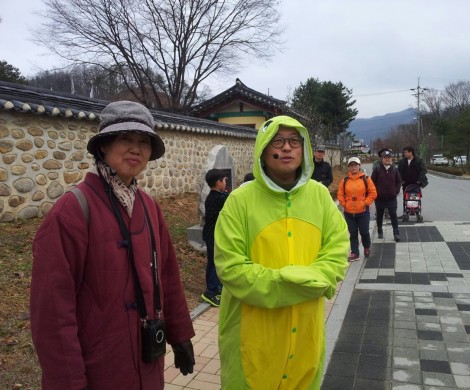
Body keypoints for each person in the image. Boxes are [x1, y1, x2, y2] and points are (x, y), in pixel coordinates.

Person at [30, 101, 196, 390]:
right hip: (100, 369)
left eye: (144, 141)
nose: (136, 149)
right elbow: (53, 313)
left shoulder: (149, 207)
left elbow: (167, 275)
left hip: (148, 362)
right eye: (125, 138)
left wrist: (180, 333)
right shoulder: (72, 212)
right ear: (103, 146)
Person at [214, 115, 349, 389]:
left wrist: (303, 280)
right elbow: (231, 268)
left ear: (305, 148)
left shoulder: (320, 196)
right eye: (277, 141)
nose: (286, 148)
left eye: (294, 141)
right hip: (251, 338)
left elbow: (337, 252)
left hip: (305, 338)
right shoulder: (239, 200)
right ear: (263, 150)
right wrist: (303, 283)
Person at [337, 156, 377, 261]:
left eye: (355, 165)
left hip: (363, 211)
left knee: (364, 231)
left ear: (359, 166)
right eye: (351, 165)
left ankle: (367, 247)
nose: (353, 167)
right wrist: (344, 204)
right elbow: (340, 194)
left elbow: (373, 193)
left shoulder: (366, 179)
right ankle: (355, 253)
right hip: (349, 212)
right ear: (349, 167)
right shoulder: (345, 180)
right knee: (353, 233)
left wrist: (365, 203)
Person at [201, 168, 229, 307]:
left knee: (215, 261)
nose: (226, 183)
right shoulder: (217, 198)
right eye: (224, 181)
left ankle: (216, 287)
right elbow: (232, 199)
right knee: (214, 262)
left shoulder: (216, 196)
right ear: (218, 183)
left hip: (212, 234)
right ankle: (211, 292)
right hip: (213, 235)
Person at [371, 148, 402, 242]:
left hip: (391, 198)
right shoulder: (377, 169)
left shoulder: (394, 170)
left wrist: (395, 191)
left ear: (391, 159)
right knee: (379, 215)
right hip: (380, 198)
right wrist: (376, 193)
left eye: (389, 157)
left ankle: (396, 233)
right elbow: (372, 183)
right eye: (385, 157)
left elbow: (398, 181)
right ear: (382, 159)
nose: (387, 159)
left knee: (393, 215)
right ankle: (380, 230)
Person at [397, 146, 428, 216]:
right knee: (406, 198)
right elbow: (399, 172)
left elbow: (424, 170)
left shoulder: (418, 160)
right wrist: (401, 180)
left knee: (414, 197)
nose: (404, 154)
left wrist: (420, 180)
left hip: (416, 183)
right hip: (405, 183)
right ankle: (405, 212)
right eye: (404, 152)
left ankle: (415, 210)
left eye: (406, 152)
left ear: (411, 152)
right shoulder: (402, 161)